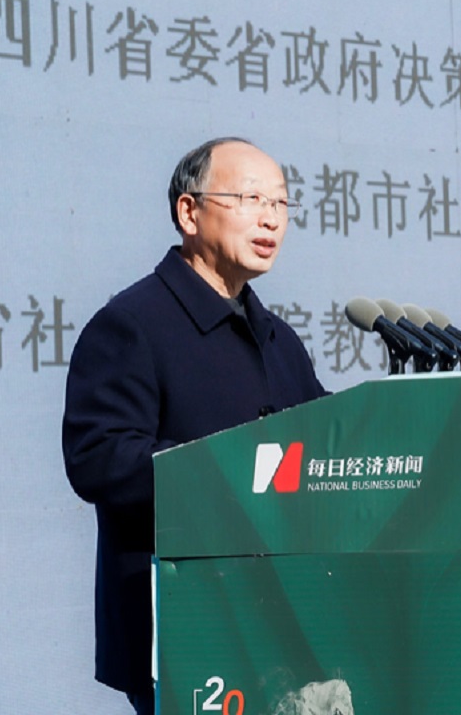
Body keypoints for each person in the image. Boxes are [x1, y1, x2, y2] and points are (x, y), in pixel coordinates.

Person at [62, 137, 327, 714]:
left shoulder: (279, 340)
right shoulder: (131, 325)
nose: (270, 219)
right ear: (189, 212)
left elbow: (321, 445)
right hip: (186, 627)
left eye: (280, 203)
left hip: (281, 627)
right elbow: (99, 459)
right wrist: (231, 471)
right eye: (251, 199)